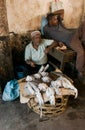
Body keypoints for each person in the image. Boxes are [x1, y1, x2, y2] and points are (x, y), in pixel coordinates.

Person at [43, 13, 85, 84]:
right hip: (70, 40)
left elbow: (62, 11)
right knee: (81, 52)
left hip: (74, 34)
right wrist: (57, 42)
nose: (57, 20)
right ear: (50, 21)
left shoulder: (59, 22)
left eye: (56, 19)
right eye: (54, 19)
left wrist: (55, 15)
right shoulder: (46, 29)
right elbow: (49, 39)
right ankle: (80, 72)